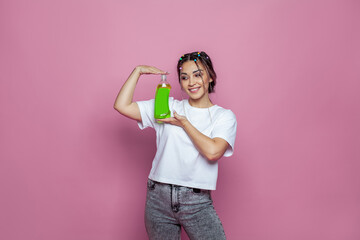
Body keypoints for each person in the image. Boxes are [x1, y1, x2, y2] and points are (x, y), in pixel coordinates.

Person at [114, 51, 237, 240]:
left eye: (198, 74)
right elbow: (122, 105)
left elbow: (213, 152)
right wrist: (137, 71)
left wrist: (184, 123)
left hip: (196, 201)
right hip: (158, 197)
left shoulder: (224, 116)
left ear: (210, 76)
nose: (191, 82)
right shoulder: (167, 107)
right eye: (184, 77)